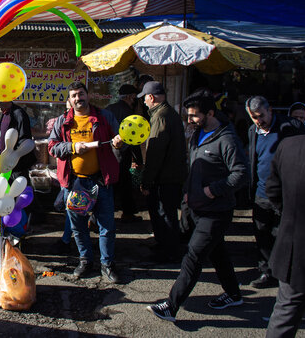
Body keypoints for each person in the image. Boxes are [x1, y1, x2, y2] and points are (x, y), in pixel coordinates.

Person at [147, 91, 249, 322]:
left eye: (193, 116)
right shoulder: (198, 133)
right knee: (217, 253)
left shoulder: (227, 139)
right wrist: (187, 197)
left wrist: (213, 190)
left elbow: (242, 173)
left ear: (210, 113)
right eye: (188, 116)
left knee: (193, 256)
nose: (189, 120)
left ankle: (171, 306)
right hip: (196, 207)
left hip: (216, 211)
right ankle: (234, 294)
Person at [48, 81, 124, 283]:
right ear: (69, 100)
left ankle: (107, 264)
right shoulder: (63, 120)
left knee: (106, 226)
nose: (77, 98)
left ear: (88, 95)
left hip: (101, 182)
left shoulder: (104, 116)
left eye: (80, 94)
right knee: (78, 226)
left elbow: (119, 138)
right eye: (73, 95)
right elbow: (53, 147)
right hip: (75, 184)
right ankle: (85, 261)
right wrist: (72, 148)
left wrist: (119, 141)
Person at [265, 130, 305, 338]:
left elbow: (273, 191)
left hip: (293, 249)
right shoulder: (289, 145)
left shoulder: (289, 146)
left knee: (284, 315)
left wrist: (290, 218)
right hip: (296, 249)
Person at [246, 95, 305, 289]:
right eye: (254, 117)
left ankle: (285, 275)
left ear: (270, 110)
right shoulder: (253, 131)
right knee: (262, 235)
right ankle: (266, 272)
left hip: (286, 194)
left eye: (261, 115)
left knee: (283, 235)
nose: (258, 121)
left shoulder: (290, 128)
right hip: (261, 193)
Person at [138, 81, 187, 262]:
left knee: (165, 216)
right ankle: (167, 247)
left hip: (164, 177)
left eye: (145, 98)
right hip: (171, 175)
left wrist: (147, 180)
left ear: (151, 97)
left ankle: (169, 252)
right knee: (167, 214)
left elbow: (155, 152)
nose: (144, 102)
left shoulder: (160, 116)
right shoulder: (169, 114)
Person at [106, 84, 143, 222]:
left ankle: (128, 212)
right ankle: (98, 218)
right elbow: (134, 140)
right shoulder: (129, 113)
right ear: (129, 97)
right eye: (134, 97)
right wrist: (139, 160)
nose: (136, 100)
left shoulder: (110, 109)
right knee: (118, 184)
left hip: (109, 152)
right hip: (122, 153)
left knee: (120, 183)